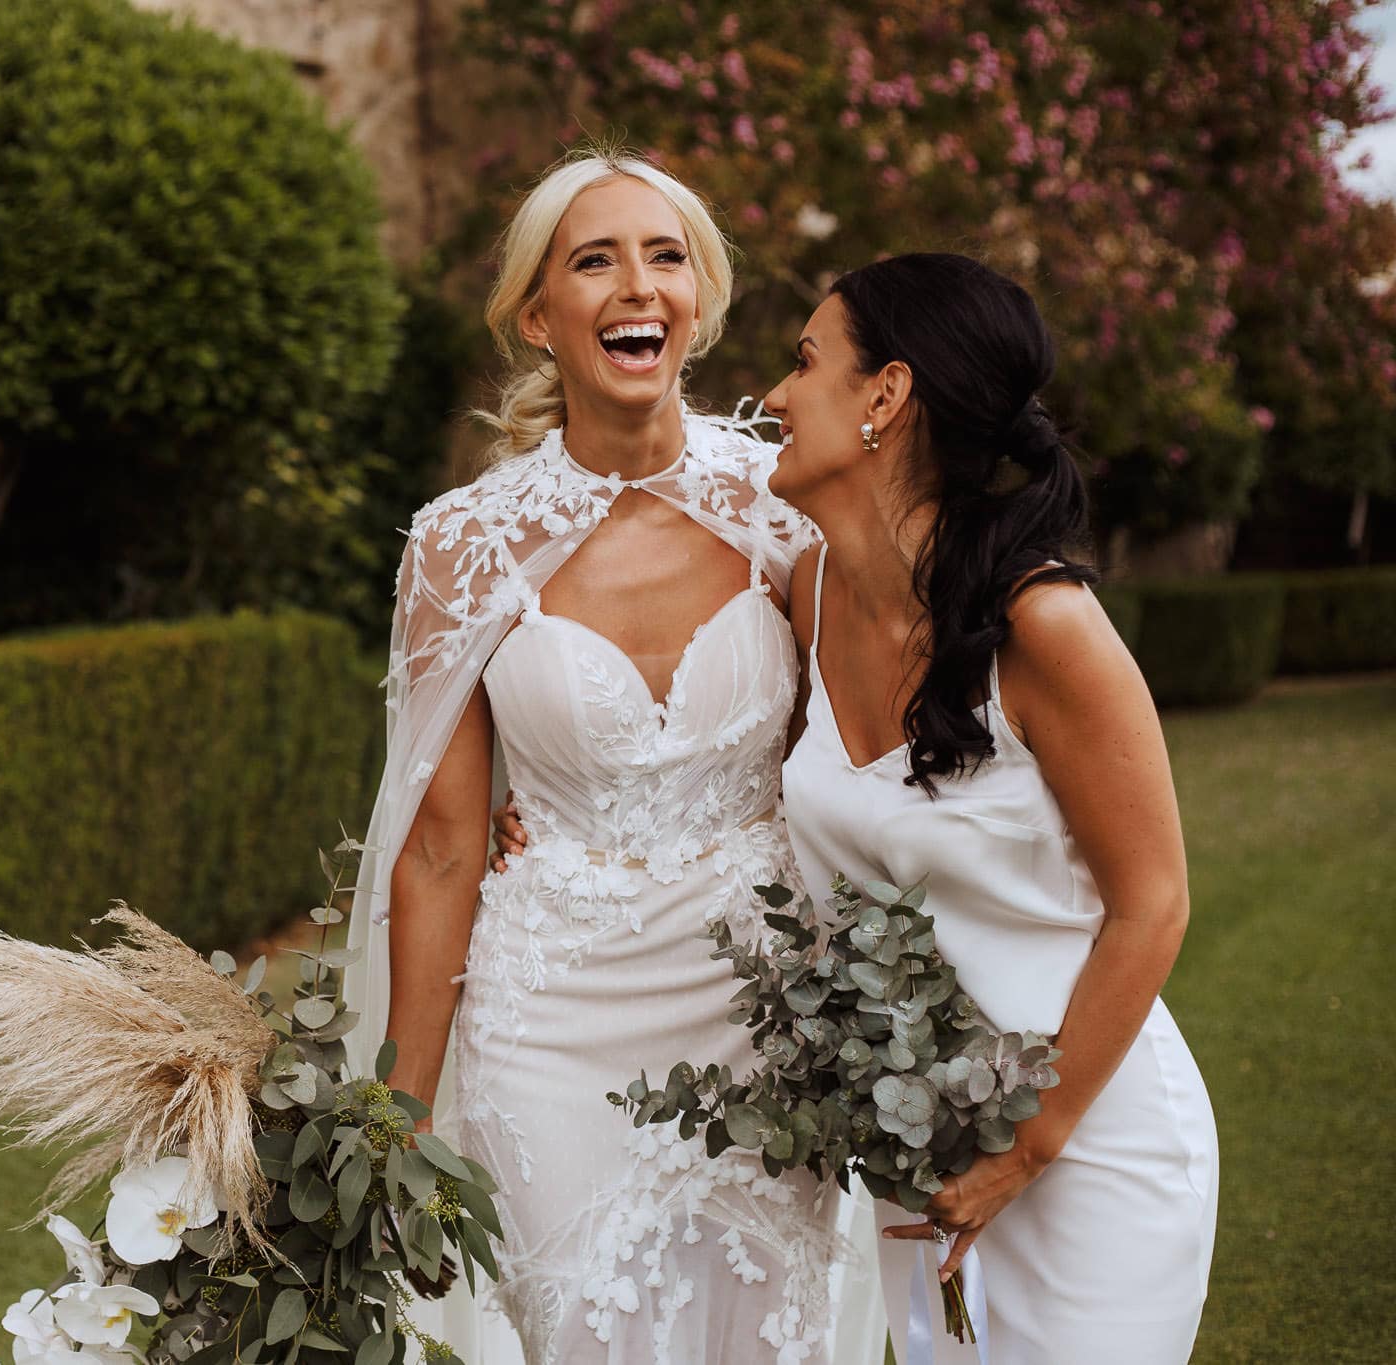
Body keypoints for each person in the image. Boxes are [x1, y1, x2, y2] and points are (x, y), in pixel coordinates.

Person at [498, 252, 1219, 1361]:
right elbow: (716, 766)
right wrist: (558, 814)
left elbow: (1153, 903)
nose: (775, 397)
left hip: (1086, 1137)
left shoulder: (1046, 629)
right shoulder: (807, 595)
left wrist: (1026, 1148)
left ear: (882, 397)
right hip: (913, 1144)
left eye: (802, 362)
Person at [342, 149, 872, 1365]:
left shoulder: (793, 512)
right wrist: (400, 1120)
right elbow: (434, 849)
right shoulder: (459, 549)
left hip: (761, 1012)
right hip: (547, 1022)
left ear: (699, 301)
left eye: (664, 255)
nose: (635, 285)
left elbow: (855, 762)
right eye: (594, 261)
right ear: (539, 314)